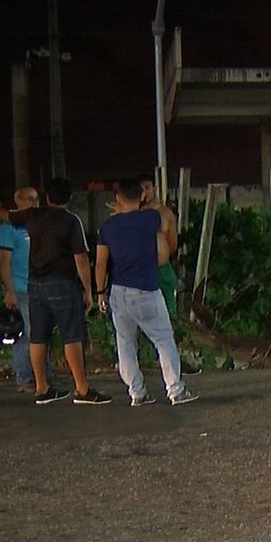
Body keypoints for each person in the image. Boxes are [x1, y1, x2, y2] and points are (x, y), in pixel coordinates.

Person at [0, 178, 111, 405]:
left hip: (36, 285)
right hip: (62, 283)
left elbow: (7, 215)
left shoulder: (33, 216)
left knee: (38, 336)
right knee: (71, 336)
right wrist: (87, 290)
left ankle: (41, 387)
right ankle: (82, 389)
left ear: (46, 198)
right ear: (69, 198)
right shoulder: (71, 221)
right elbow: (81, 258)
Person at [96, 178, 198, 407]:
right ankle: (175, 390)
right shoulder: (150, 218)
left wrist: (100, 292)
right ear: (141, 197)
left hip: (118, 291)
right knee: (163, 340)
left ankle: (137, 392)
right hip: (146, 289)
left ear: (117, 199)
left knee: (125, 344)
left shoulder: (107, 227)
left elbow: (101, 265)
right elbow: (165, 224)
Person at [137, 174, 200, 376]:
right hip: (139, 271)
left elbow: (172, 244)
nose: (145, 192)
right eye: (141, 188)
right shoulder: (131, 215)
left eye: (148, 187)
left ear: (154, 188)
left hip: (161, 269)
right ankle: (141, 356)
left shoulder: (165, 213)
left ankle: (170, 358)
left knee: (167, 313)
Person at [0, 186, 56, 392]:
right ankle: (25, 377)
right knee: (27, 334)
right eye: (28, 199)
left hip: (40, 285)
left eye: (36, 199)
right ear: (18, 200)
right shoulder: (9, 228)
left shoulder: (37, 223)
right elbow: (4, 261)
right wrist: (10, 290)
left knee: (41, 331)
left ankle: (45, 374)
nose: (33, 203)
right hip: (22, 287)